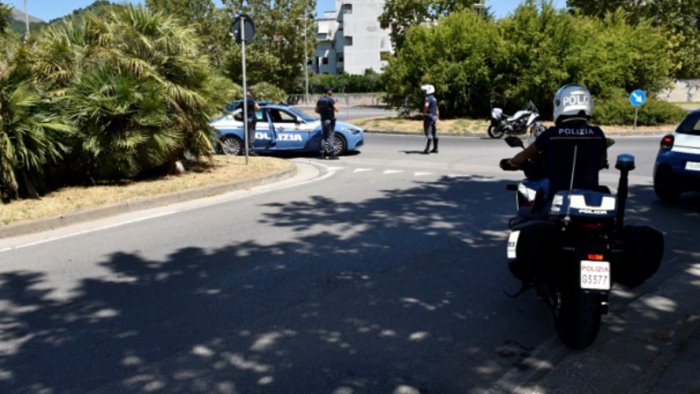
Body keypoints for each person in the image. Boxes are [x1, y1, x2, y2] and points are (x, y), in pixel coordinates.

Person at [500, 84, 608, 197]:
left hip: (557, 196)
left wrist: (510, 163)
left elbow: (525, 154)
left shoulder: (551, 134)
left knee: (527, 211)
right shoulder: (597, 133)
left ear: (560, 104)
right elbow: (602, 161)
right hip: (589, 196)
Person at [315, 86, 340, 160]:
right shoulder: (330, 100)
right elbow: (337, 109)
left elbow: (316, 110)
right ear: (328, 91)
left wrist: (323, 113)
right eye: (331, 90)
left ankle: (322, 153)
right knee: (330, 137)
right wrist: (335, 103)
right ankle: (331, 154)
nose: (332, 92)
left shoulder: (320, 100)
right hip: (330, 120)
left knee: (324, 137)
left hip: (323, 120)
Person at [421, 84, 440, 154]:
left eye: (425, 91)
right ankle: (435, 148)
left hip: (428, 116)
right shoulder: (434, 98)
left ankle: (427, 149)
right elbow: (437, 109)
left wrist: (424, 113)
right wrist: (438, 117)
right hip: (434, 116)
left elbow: (426, 106)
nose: (424, 92)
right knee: (434, 132)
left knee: (428, 132)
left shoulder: (428, 98)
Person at [243, 89, 261, 156]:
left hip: (245, 119)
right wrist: (255, 106)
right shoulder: (250, 100)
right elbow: (258, 108)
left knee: (246, 135)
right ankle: (251, 151)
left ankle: (245, 150)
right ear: (249, 93)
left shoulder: (243, 101)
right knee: (251, 134)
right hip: (251, 119)